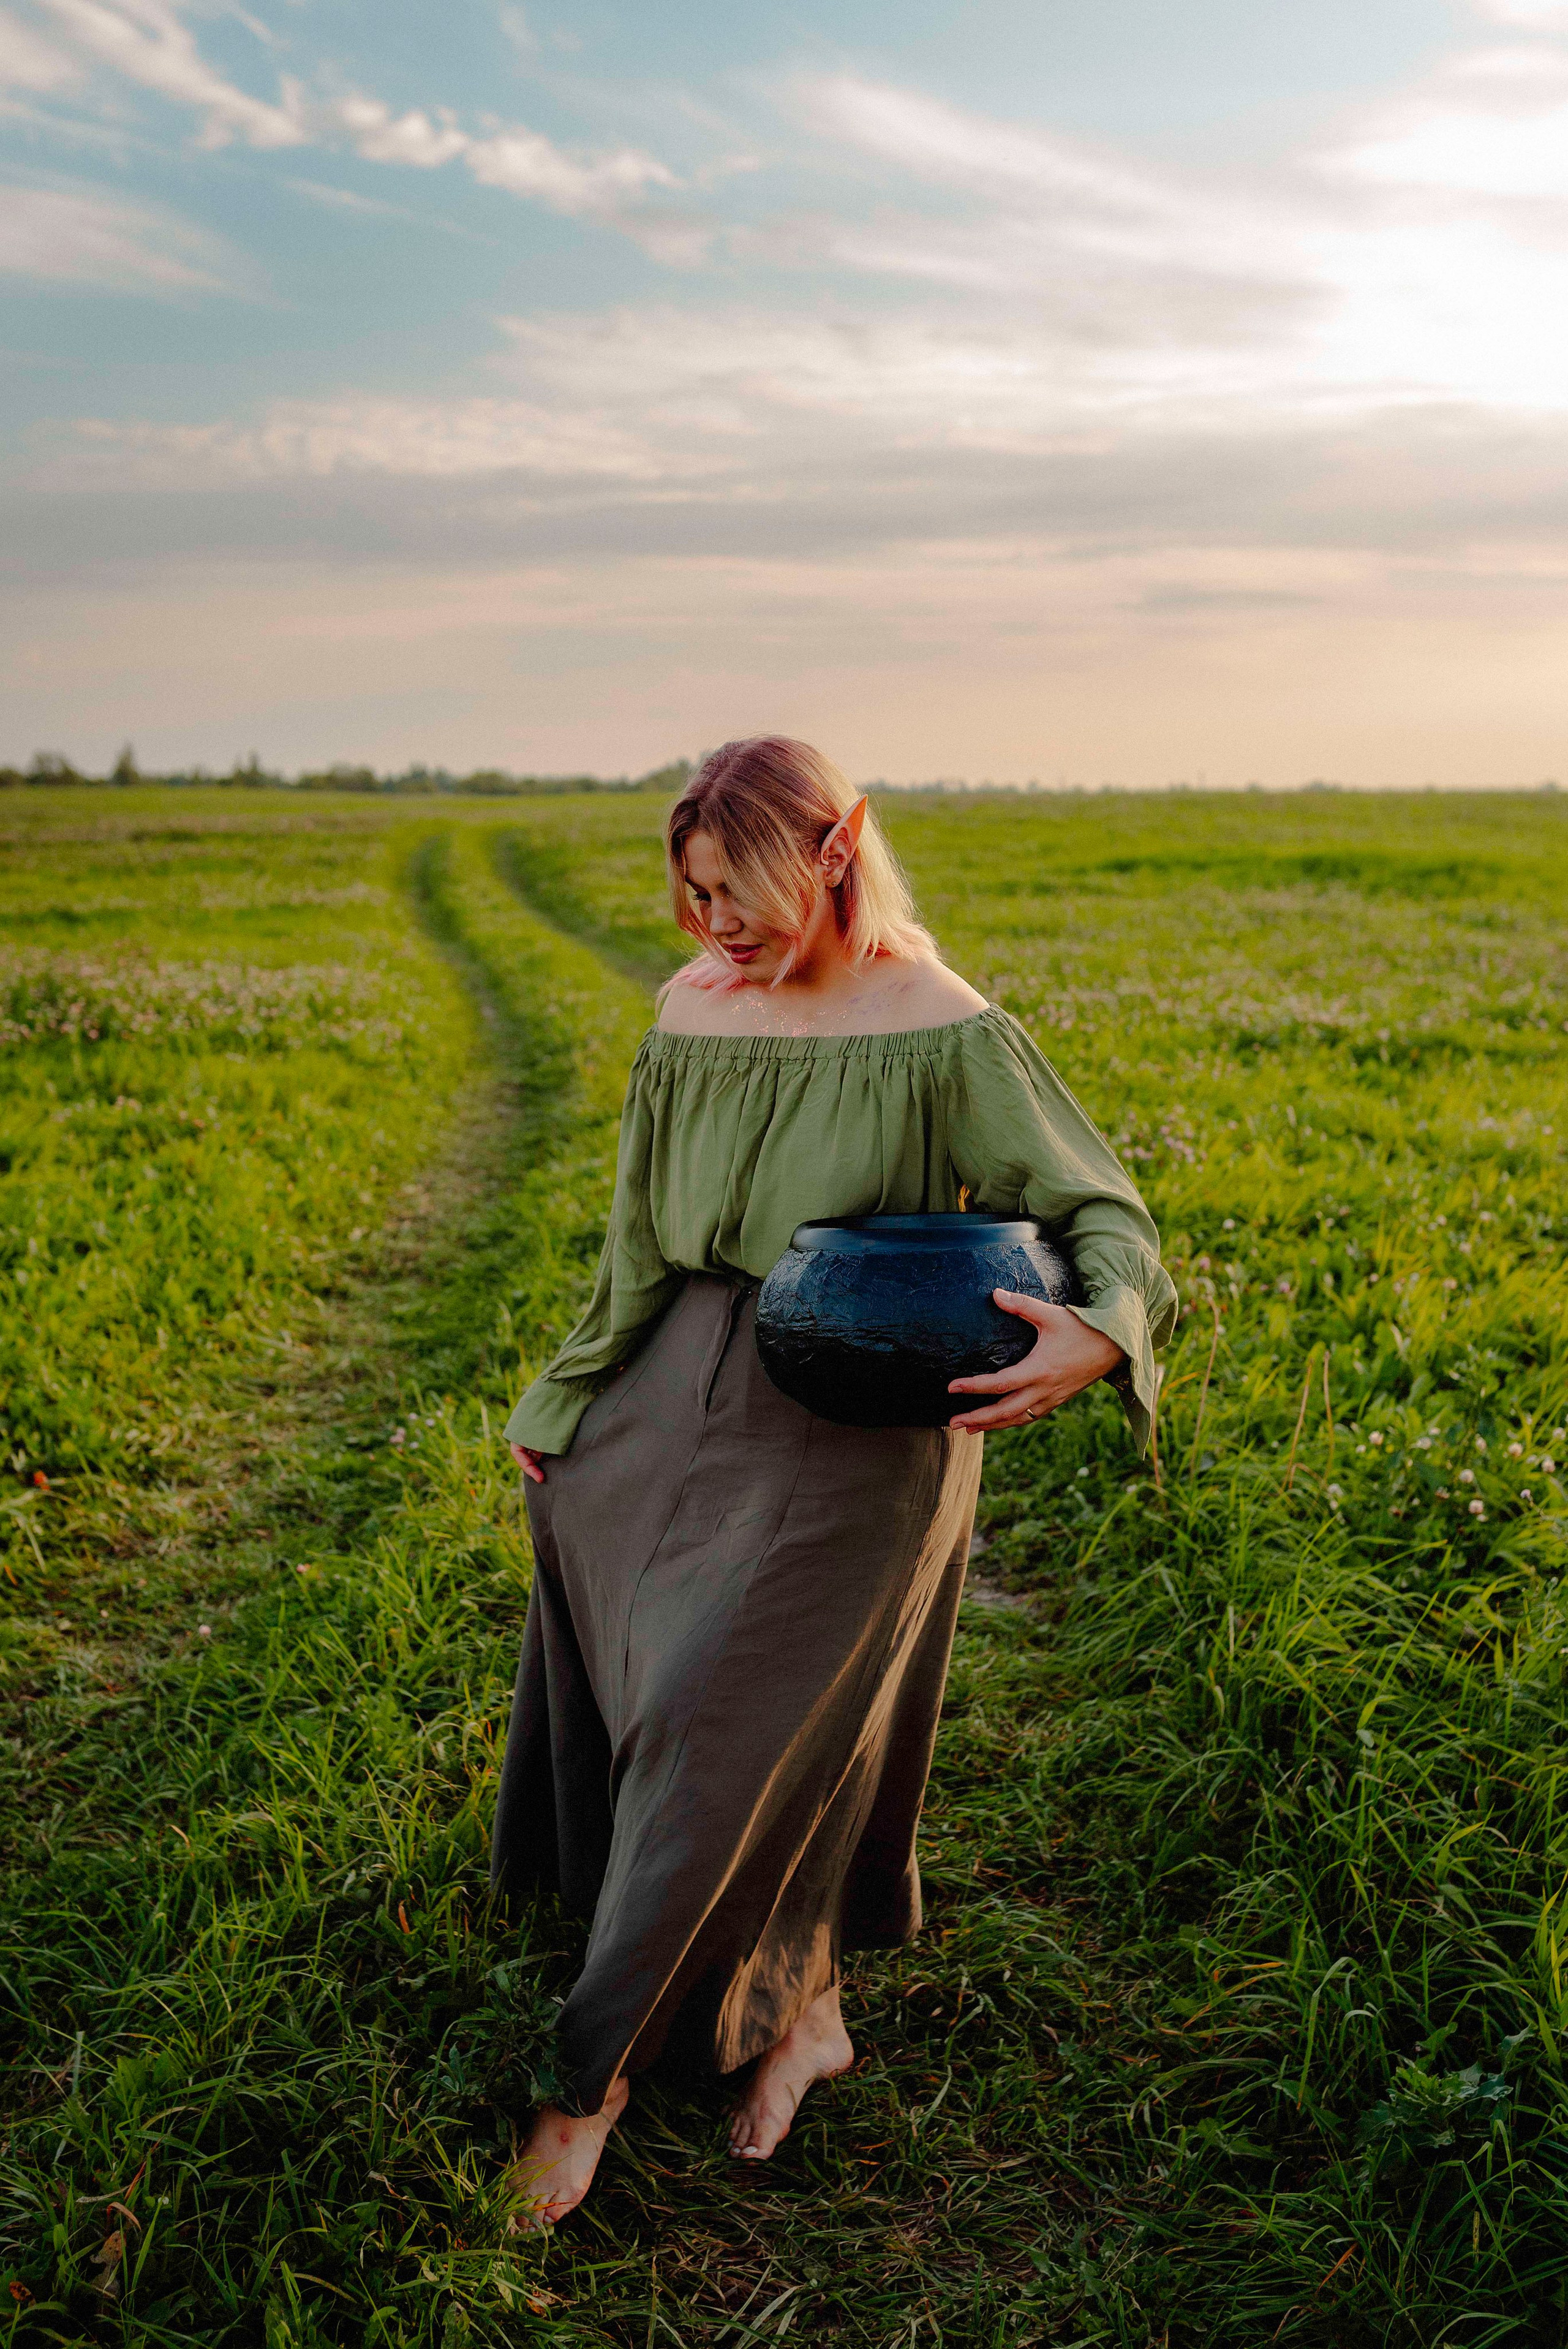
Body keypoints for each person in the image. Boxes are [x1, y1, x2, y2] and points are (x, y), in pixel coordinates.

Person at [494, 737, 1176, 2226]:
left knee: (711, 1714)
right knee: (665, 1687)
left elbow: (1097, 1204)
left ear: (835, 844)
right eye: (688, 898)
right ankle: (804, 2010)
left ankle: (585, 2084)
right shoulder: (689, 1009)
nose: (712, 929)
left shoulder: (938, 1027)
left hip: (855, 1409)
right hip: (675, 1384)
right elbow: (638, 1242)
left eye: (735, 892)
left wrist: (1097, 1330)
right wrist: (570, 1390)